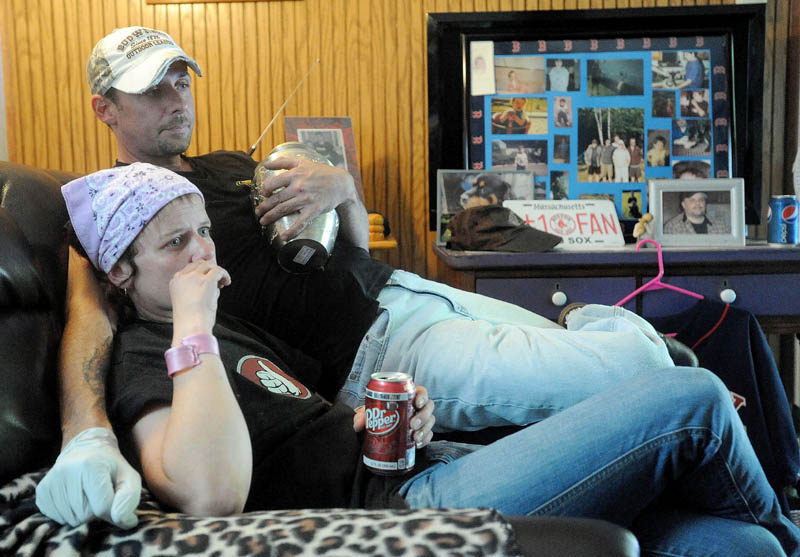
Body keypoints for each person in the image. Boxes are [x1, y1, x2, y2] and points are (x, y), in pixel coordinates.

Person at [36, 26, 696, 528]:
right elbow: (87, 322)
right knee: (643, 364)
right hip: (378, 353)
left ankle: (606, 337)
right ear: (105, 109)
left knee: (644, 359)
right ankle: (622, 344)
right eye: (152, 88)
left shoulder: (231, 165)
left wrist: (344, 191)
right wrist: (88, 436)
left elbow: (344, 249)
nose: (175, 98)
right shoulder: (113, 217)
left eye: (180, 80)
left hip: (403, 291)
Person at [59, 163, 800, 556]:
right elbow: (211, 493)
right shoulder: (142, 360)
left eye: (202, 233)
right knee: (693, 397)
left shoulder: (234, 330)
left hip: (425, 463)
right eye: (175, 244)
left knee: (739, 544)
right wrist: (193, 327)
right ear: (120, 273)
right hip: (404, 516)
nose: (202, 254)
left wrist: (404, 419)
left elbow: (326, 417)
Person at [663, 191, 731, 235]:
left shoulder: (721, 225)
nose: (698, 203)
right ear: (683, 204)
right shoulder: (673, 226)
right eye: (692, 200)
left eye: (701, 199)